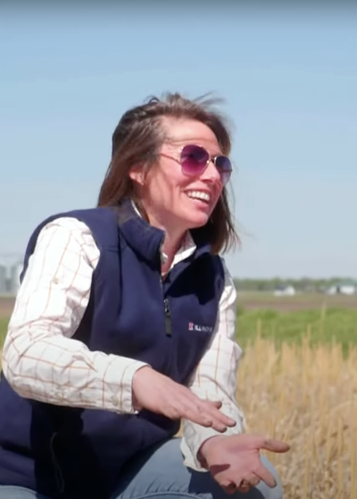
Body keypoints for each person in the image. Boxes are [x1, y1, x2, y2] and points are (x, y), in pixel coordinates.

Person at [0, 93, 290, 499]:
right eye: (193, 157)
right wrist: (135, 379)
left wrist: (213, 442)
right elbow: (26, 353)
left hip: (124, 471)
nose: (211, 175)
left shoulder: (214, 278)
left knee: (256, 489)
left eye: (220, 164)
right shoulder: (76, 236)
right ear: (137, 167)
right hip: (22, 471)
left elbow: (210, 391)